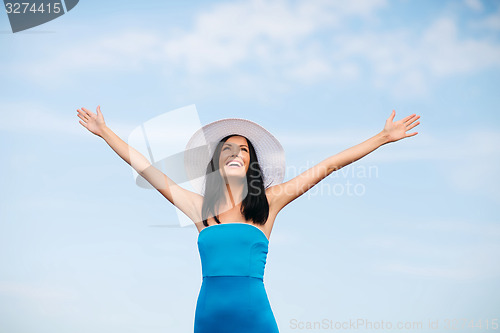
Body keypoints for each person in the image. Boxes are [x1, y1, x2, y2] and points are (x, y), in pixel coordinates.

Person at [77, 106, 420, 332]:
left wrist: (383, 138)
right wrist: (105, 132)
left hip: (255, 317)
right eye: (226, 148)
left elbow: (328, 165)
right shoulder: (200, 209)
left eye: (243, 149)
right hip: (209, 316)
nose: (235, 152)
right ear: (216, 164)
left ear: (252, 164)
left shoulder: (271, 202)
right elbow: (147, 169)